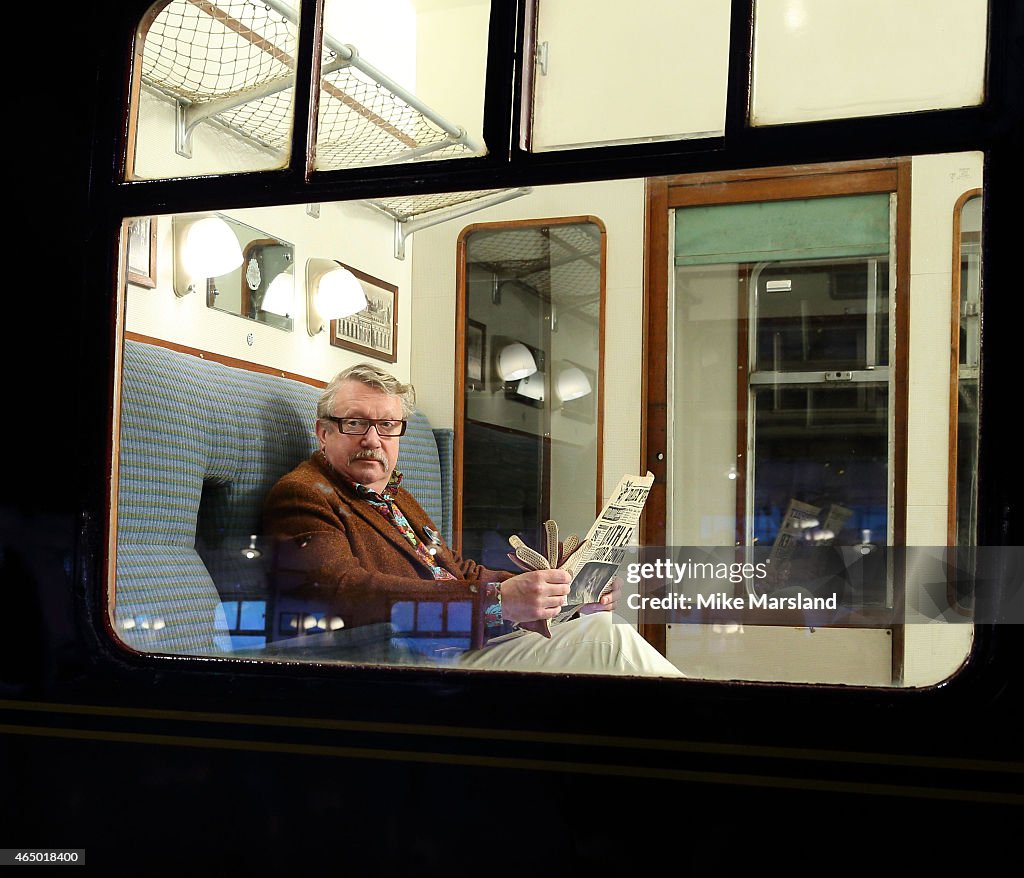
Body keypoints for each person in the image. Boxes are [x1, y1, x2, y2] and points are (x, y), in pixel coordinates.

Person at [262, 363, 682, 677]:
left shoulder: (394, 495)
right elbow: (345, 596)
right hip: (414, 663)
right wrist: (498, 602)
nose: (373, 439)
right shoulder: (303, 494)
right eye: (356, 423)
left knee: (600, 622)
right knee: (608, 642)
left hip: (462, 640)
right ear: (323, 432)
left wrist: (556, 596)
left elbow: (458, 571)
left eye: (387, 426)